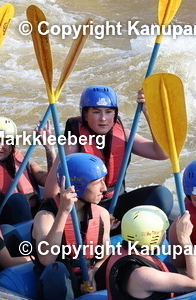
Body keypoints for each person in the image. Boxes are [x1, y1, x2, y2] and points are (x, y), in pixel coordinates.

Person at [58, 85, 174, 218]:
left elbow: (162, 153)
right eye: (96, 112)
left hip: (115, 205)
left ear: (115, 114)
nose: (103, 118)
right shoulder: (73, 144)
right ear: (85, 114)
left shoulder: (124, 135)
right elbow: (52, 191)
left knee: (161, 196)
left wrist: (148, 112)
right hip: (85, 211)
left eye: (108, 112)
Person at [32, 153, 113, 300]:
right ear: (78, 186)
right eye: (98, 183)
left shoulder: (101, 214)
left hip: (88, 278)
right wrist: (63, 211)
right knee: (57, 272)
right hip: (60, 286)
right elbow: (47, 259)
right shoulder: (46, 216)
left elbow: (105, 254)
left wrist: (93, 272)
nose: (104, 188)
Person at [105, 207, 196, 300]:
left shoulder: (121, 251)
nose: (165, 235)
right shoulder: (142, 274)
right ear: (155, 236)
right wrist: (185, 239)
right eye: (163, 232)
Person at [0, 117, 55, 224]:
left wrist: (49, 148)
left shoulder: (23, 161)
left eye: (5, 142)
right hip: (6, 223)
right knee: (18, 199)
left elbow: (51, 181)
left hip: (36, 217)